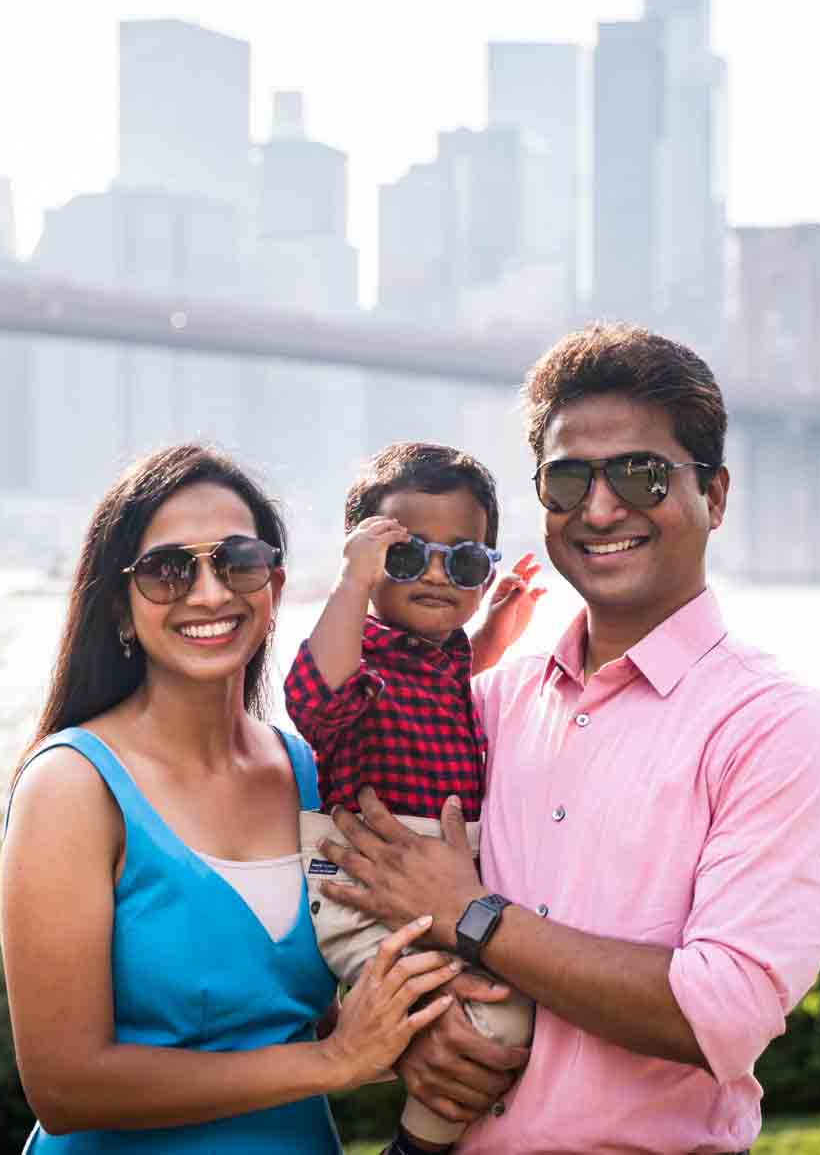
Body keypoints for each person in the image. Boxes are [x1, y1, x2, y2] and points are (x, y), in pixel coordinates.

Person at [317, 324, 820, 1154]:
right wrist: (416, 1037)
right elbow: (351, 888)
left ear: (714, 496)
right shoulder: (484, 706)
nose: (601, 507)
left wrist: (471, 914)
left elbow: (719, 1012)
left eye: (642, 474)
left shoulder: (778, 728)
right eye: (569, 478)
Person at [0, 444, 466, 1153]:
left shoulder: (313, 771)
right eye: (167, 569)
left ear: (272, 587)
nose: (211, 592)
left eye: (238, 561)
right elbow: (65, 1085)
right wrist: (332, 1062)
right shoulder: (72, 785)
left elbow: (333, 1015)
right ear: (120, 609)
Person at [286, 443, 546, 1153]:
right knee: (494, 1016)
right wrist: (349, 583)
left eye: (462, 562)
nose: (435, 574)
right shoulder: (359, 651)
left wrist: (495, 628)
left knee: (511, 1005)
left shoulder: (443, 653)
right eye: (405, 558)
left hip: (439, 877)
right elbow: (316, 699)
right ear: (369, 565)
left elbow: (449, 686)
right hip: (366, 879)